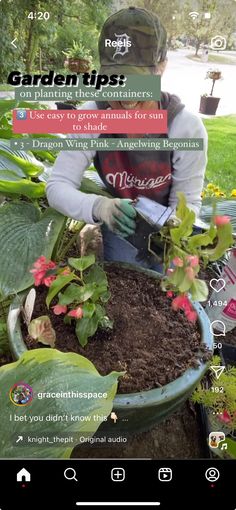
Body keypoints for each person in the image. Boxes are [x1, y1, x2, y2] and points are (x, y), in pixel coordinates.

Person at [46, 7, 208, 270]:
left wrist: (173, 232)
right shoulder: (92, 116)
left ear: (161, 68)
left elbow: (187, 201)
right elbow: (57, 186)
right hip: (119, 227)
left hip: (163, 232)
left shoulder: (185, 128)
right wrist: (101, 207)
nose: (127, 97)